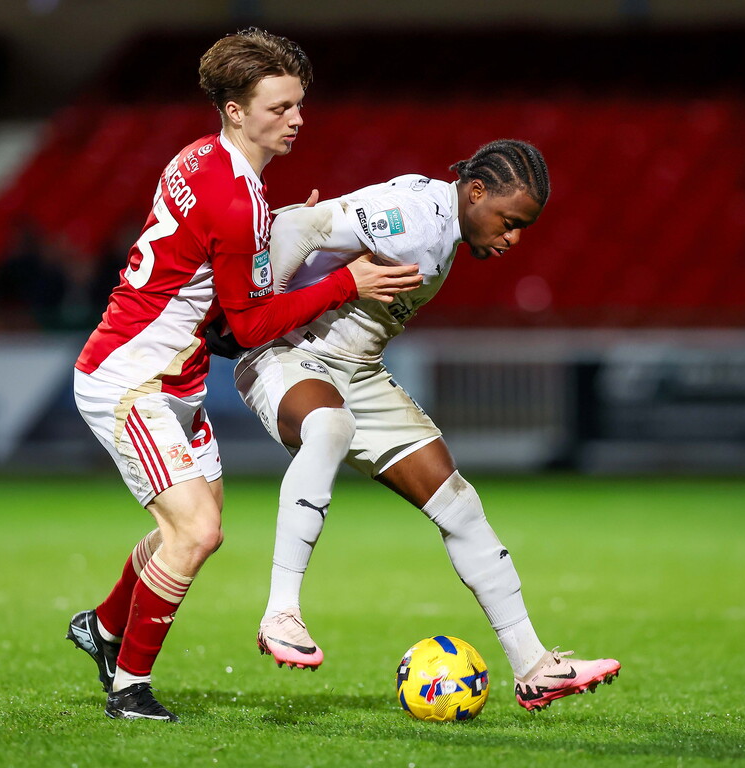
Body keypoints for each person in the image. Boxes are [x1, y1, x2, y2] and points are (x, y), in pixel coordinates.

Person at [65, 27, 421, 722]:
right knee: (194, 531)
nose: (297, 120)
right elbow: (252, 327)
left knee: (191, 526)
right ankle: (129, 689)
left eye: (297, 105)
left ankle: (104, 628)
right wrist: (345, 281)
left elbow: (225, 277)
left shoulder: (197, 159)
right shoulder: (238, 200)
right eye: (279, 108)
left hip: (172, 375)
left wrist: (277, 236)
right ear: (235, 110)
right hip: (130, 377)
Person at [232, 139, 621, 712]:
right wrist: (247, 308)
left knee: (459, 504)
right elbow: (299, 226)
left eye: (523, 228)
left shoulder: (441, 223)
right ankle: (280, 613)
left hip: (357, 372)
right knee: (330, 427)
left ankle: (535, 666)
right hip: (289, 353)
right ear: (476, 191)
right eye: (509, 222)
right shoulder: (413, 220)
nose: (513, 238)